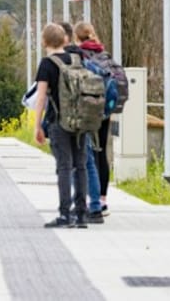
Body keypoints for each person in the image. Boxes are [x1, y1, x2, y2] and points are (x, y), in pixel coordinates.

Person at [34, 23, 88, 228]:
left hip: (59, 121)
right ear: (65, 40)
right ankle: (82, 214)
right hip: (81, 121)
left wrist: (37, 126)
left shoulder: (47, 64)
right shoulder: (77, 59)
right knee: (80, 166)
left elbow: (41, 98)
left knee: (64, 167)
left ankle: (65, 214)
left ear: (45, 41)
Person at [60, 22, 104, 224]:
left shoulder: (64, 61)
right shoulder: (97, 57)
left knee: (68, 164)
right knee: (87, 163)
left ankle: (72, 208)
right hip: (89, 116)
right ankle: (94, 207)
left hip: (68, 119)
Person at [74, 21, 111, 216]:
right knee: (102, 152)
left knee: (87, 155)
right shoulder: (104, 54)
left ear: (77, 37)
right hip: (105, 109)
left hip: (88, 109)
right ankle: (103, 199)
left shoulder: (81, 55)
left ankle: (91, 199)